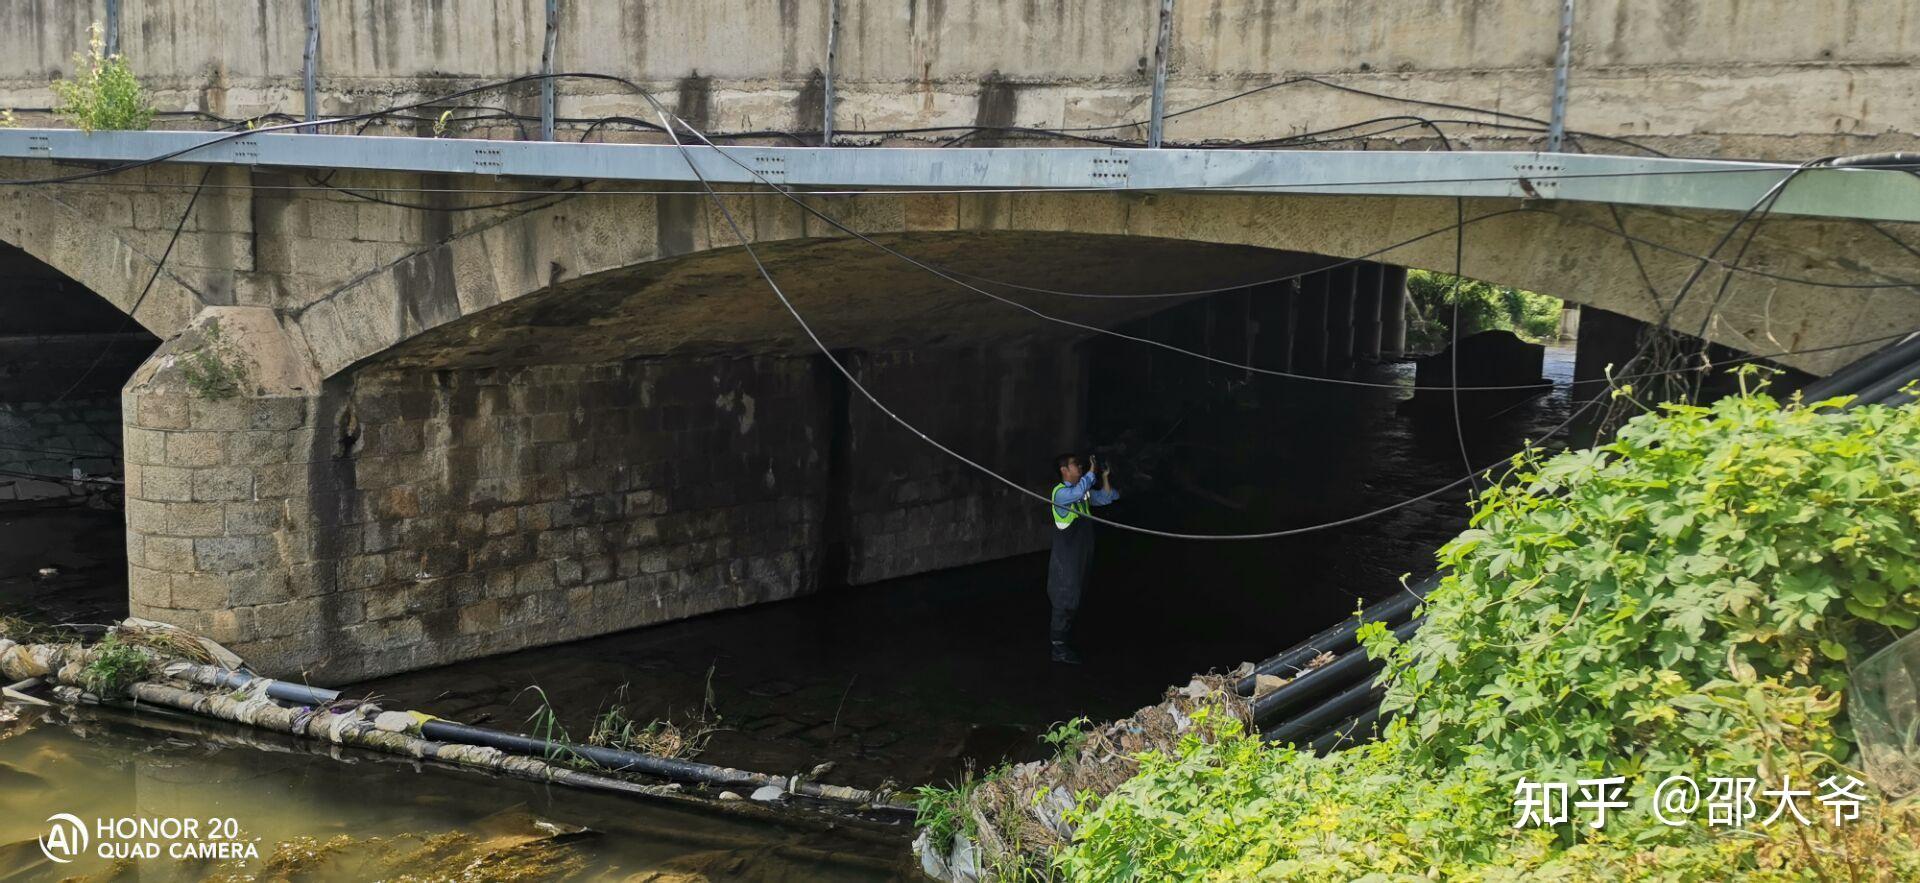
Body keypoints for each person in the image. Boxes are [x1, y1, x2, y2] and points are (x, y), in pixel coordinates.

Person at [1047, 452, 1117, 664]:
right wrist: (1091, 473)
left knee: (1075, 597)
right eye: (1075, 465)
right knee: (1064, 599)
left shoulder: (1083, 494)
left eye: (1081, 465)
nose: (1079, 468)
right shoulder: (1060, 494)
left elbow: (1107, 498)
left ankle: (1065, 642)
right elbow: (1077, 493)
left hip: (1080, 556)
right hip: (1065, 559)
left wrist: (1103, 476)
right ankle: (1058, 649)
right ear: (1064, 470)